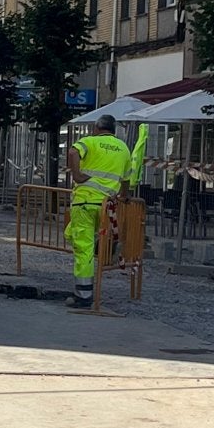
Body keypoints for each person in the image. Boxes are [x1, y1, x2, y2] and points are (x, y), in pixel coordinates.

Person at [63, 114, 133, 309]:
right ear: (114, 129)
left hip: (84, 202)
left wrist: (77, 175)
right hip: (106, 206)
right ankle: (102, 245)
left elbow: (72, 152)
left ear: (96, 128)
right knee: (75, 235)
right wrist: (124, 196)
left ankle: (83, 296)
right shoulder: (123, 148)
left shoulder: (89, 142)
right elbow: (127, 178)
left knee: (82, 248)